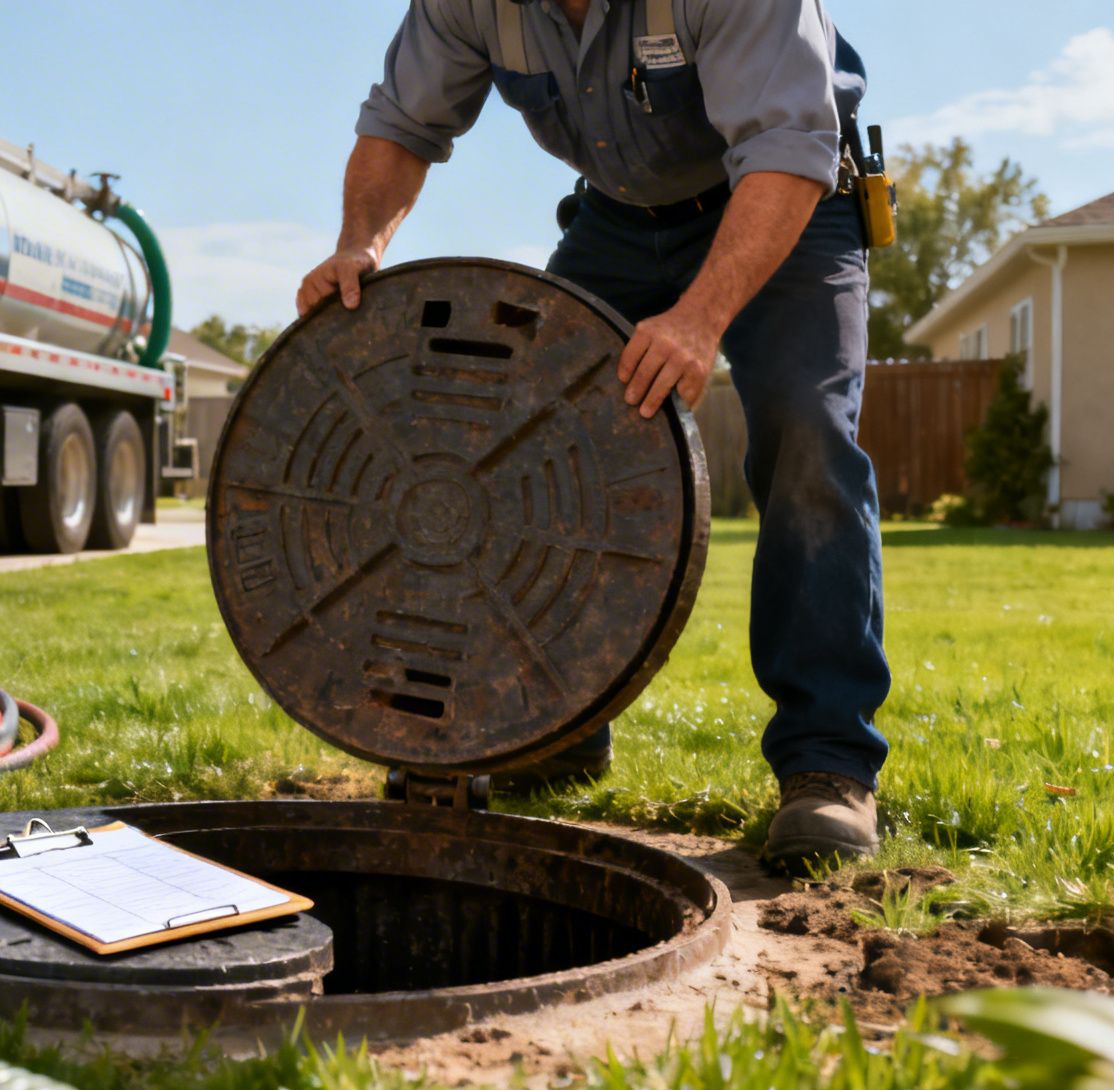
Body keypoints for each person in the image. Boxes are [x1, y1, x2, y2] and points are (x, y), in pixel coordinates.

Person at [295, 0, 888, 867]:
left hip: (785, 199)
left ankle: (828, 764)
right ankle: (557, 726)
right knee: (529, 450)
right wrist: (358, 243)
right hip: (618, 219)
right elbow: (401, 124)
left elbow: (788, 147)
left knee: (806, 433)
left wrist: (699, 318)